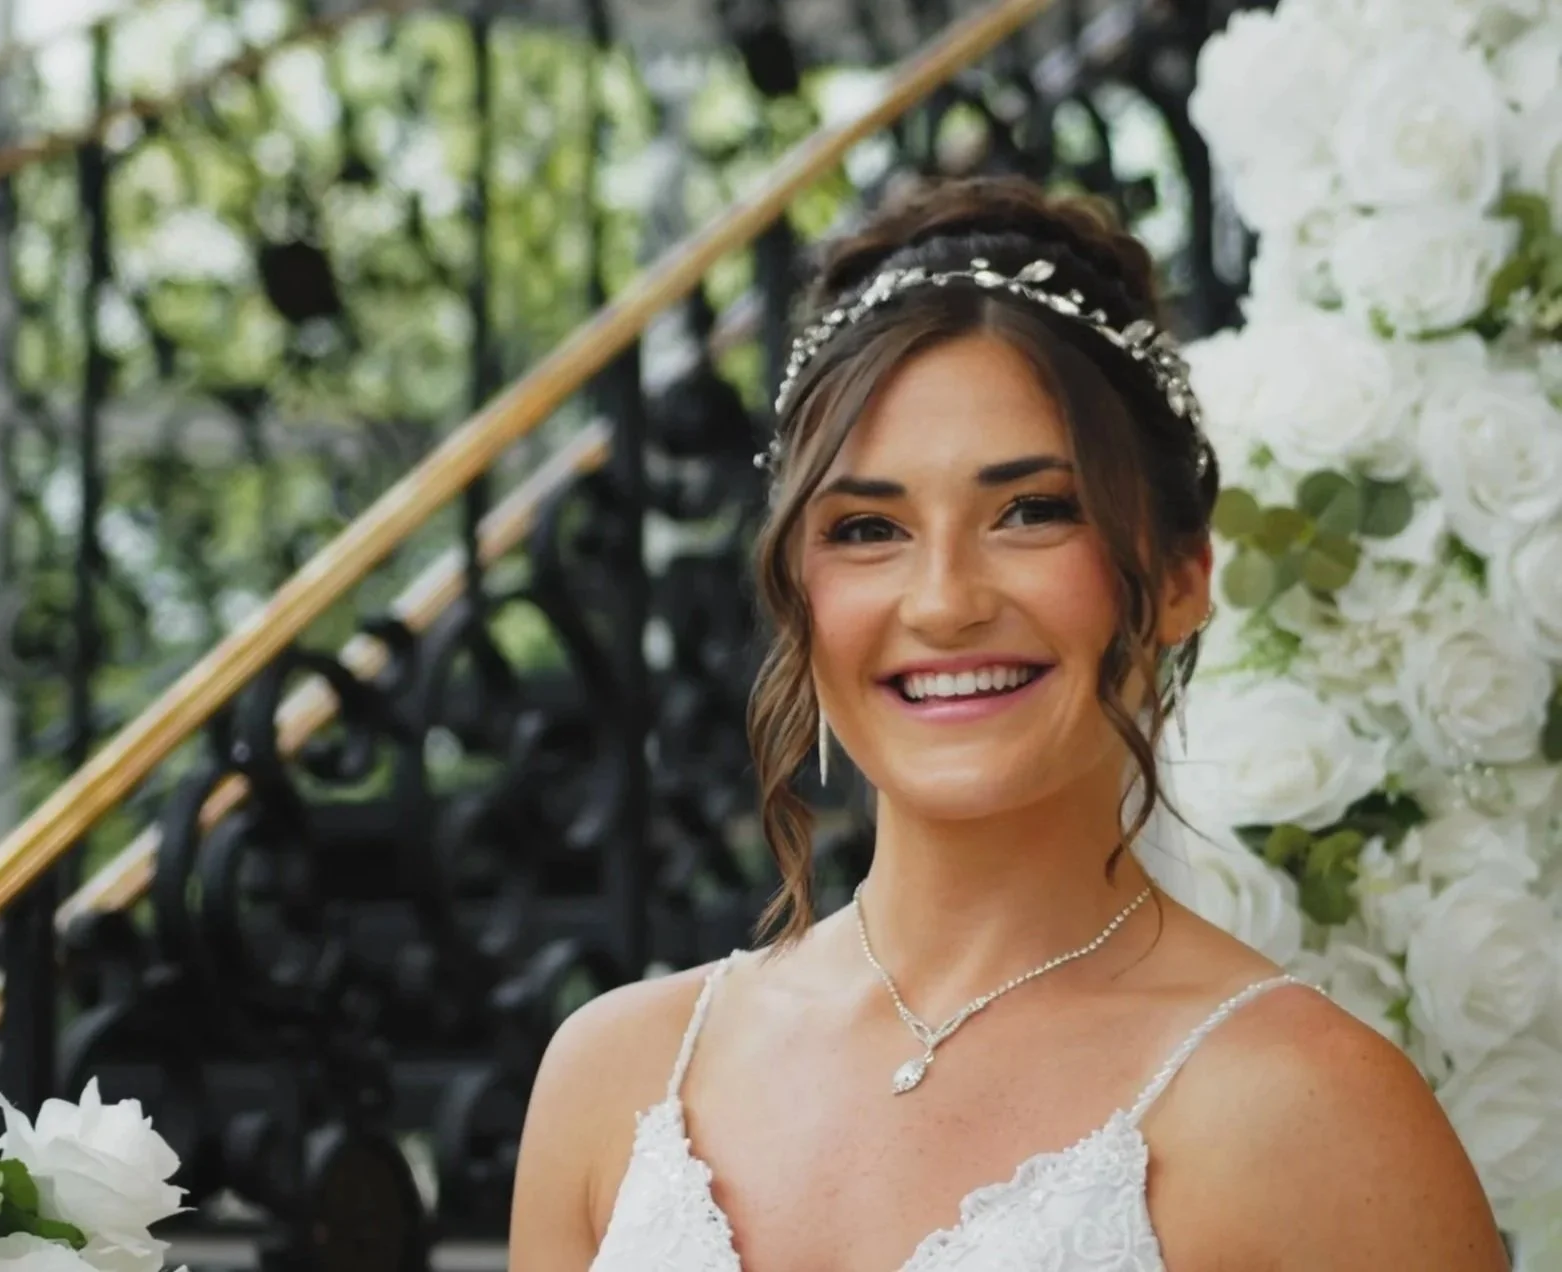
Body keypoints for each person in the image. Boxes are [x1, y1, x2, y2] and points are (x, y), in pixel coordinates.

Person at [507, 177, 1505, 1271]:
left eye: (1032, 512)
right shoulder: (616, 1076)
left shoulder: (1310, 1113)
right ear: (797, 585)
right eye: (869, 527)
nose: (942, 602)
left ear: (1180, 576)